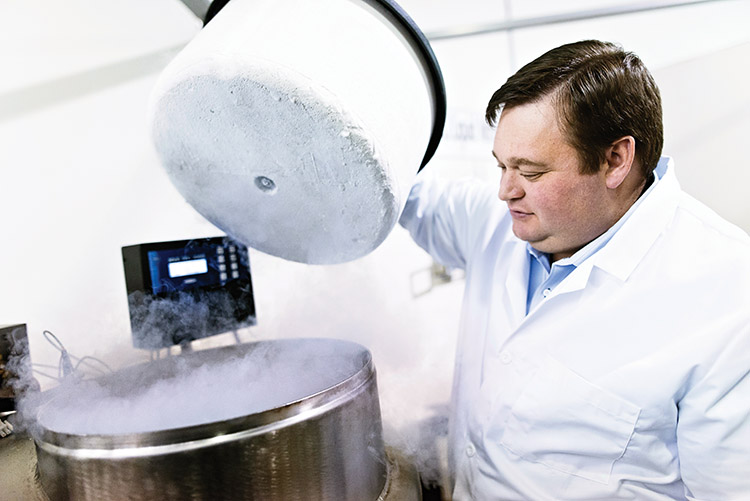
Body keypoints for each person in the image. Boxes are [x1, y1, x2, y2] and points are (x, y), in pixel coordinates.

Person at [400, 40, 750, 500]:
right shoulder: (497, 222)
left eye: (531, 171)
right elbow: (407, 195)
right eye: (502, 166)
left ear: (614, 160)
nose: (506, 190)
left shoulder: (726, 296)